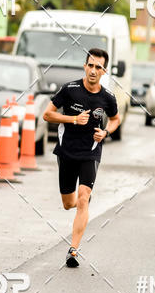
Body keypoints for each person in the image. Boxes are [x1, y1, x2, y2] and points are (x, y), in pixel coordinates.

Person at [43, 48, 121, 267]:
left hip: (90, 152)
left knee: (84, 197)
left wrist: (106, 132)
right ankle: (79, 204)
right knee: (69, 203)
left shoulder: (108, 97)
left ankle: (73, 250)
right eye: (91, 65)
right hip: (67, 151)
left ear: (104, 71)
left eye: (99, 67)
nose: (93, 70)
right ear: (84, 66)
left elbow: (115, 119)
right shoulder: (70, 89)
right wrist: (73, 119)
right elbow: (47, 114)